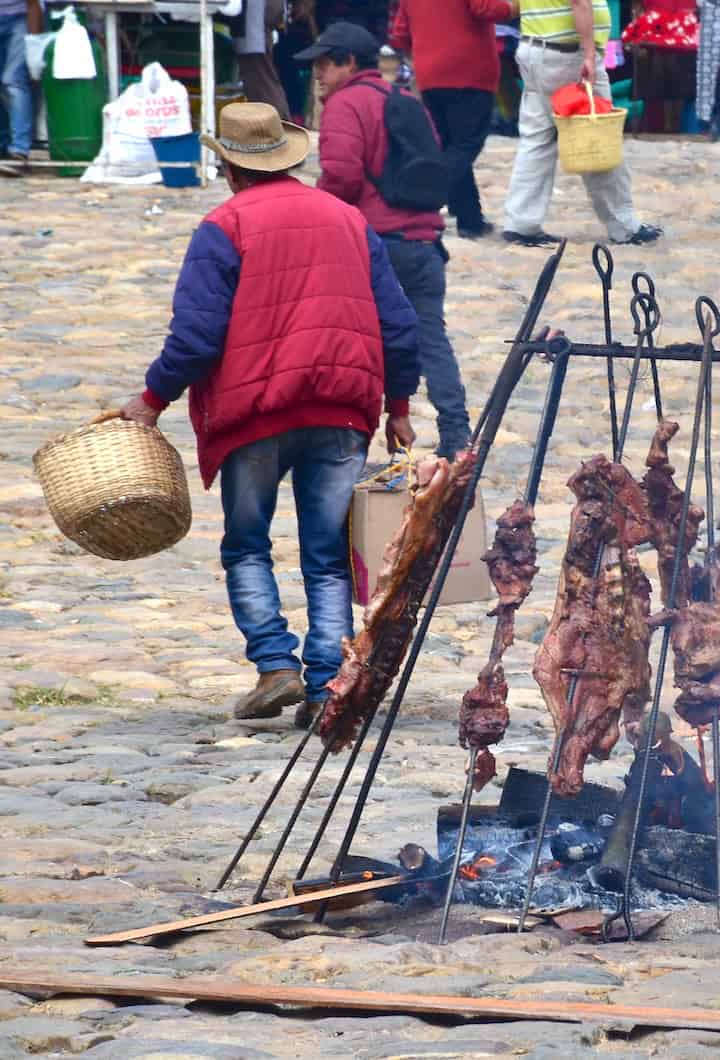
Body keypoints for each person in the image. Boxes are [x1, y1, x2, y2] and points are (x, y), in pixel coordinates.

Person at [117, 102, 419, 725]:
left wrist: (150, 402)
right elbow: (397, 324)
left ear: (228, 166)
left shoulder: (223, 226)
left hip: (256, 414)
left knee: (247, 544)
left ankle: (275, 664)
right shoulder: (348, 220)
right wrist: (400, 406)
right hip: (340, 409)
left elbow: (196, 339)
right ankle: (328, 684)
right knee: (328, 552)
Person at [298, 22, 472, 462]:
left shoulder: (344, 105)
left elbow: (341, 176)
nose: (317, 72)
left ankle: (354, 437)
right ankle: (456, 432)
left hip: (376, 246)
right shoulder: (405, 101)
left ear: (348, 62)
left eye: (324, 62)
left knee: (359, 342)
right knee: (431, 339)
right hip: (424, 243)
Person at [501, 0, 661, 246]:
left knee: (536, 138)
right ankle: (623, 225)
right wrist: (588, 54)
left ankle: (521, 223)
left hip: (534, 48)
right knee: (597, 135)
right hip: (566, 55)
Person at [391, 0, 517, 239]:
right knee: (466, 144)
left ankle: (469, 219)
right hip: (469, 70)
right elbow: (486, 8)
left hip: (430, 74)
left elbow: (400, 32)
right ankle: (421, 197)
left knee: (452, 145)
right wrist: (520, 6)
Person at [233, 0, 292, 119]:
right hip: (255, 16)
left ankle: (280, 125)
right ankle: (278, 124)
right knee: (257, 77)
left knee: (261, 77)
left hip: (255, 16)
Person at [0, 0, 40, 175]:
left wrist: (33, 44)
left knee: (13, 80)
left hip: (20, 18)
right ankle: (4, 145)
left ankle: (19, 151)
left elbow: (33, 5)